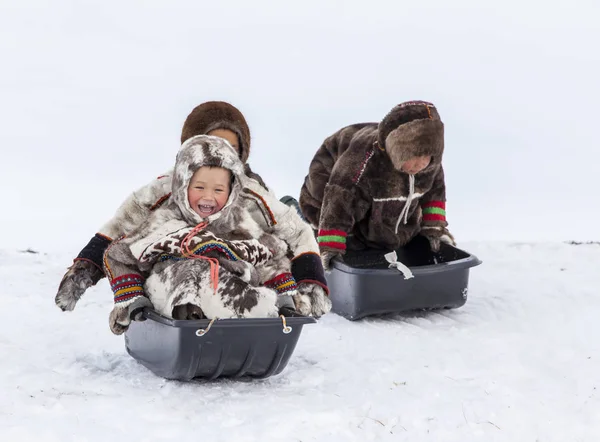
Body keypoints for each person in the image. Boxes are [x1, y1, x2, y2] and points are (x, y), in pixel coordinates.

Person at [56, 101, 330, 317]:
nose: (219, 151)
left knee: (265, 252)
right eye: (209, 142)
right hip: (176, 267)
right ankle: (161, 308)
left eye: (230, 148)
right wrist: (84, 269)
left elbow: (295, 230)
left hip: (236, 269)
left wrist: (309, 281)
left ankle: (262, 310)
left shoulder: (250, 192)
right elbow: (119, 227)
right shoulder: (167, 187)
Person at [104, 135, 318, 334]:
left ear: (232, 190)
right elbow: (120, 255)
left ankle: (264, 314)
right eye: (199, 187)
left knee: (247, 287)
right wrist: (131, 297)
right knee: (192, 270)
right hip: (171, 291)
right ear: (182, 186)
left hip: (230, 291)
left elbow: (271, 260)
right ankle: (190, 316)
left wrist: (288, 297)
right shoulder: (165, 221)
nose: (208, 197)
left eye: (218, 190)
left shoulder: (240, 224)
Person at [299, 100, 455, 270]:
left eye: (425, 157)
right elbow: (339, 199)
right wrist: (330, 245)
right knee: (343, 223)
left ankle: (382, 235)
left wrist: (434, 231)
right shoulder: (363, 161)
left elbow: (435, 195)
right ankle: (304, 220)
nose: (420, 165)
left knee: (392, 232)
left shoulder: (430, 167)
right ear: (397, 151)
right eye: (413, 157)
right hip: (332, 190)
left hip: (383, 207)